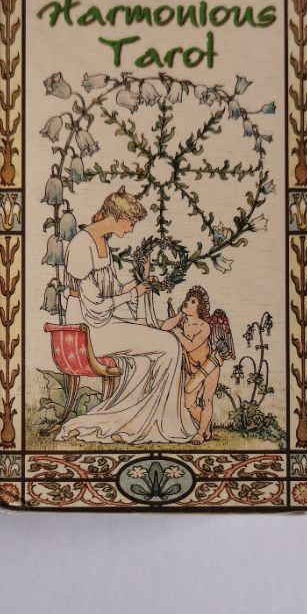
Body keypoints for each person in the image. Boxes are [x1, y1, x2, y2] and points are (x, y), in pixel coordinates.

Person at [54, 186, 197, 445]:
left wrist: (139, 283)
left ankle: (134, 421)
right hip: (88, 331)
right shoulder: (81, 245)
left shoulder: (100, 242)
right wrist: (133, 294)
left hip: (100, 323)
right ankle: (157, 422)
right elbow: (96, 305)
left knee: (149, 356)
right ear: (116, 217)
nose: (131, 229)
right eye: (131, 223)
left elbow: (111, 291)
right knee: (169, 344)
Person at [162, 285, 221, 444]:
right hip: (192, 368)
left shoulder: (204, 326)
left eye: (193, 301)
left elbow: (190, 346)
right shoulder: (182, 321)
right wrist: (180, 315)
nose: (188, 302)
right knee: (189, 403)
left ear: (199, 307)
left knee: (207, 400)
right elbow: (164, 327)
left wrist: (177, 333)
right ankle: (206, 427)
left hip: (209, 366)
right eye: (188, 299)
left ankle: (200, 434)